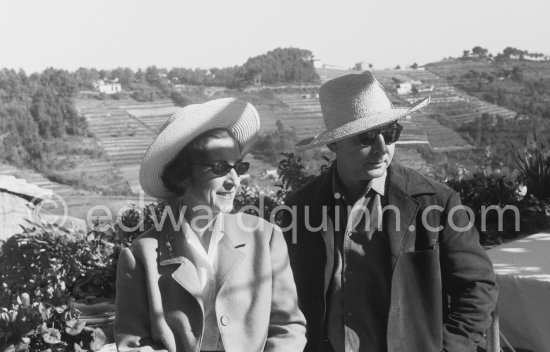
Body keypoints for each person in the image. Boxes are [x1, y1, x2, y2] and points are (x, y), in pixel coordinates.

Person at [282, 73, 498, 352]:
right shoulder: (300, 208)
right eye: (367, 137)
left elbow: (478, 288)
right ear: (333, 144)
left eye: (391, 133)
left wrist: (448, 348)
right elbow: (285, 298)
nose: (382, 148)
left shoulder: (436, 204)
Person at [115, 98, 306, 352]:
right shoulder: (141, 256)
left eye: (239, 167)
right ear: (182, 176)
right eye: (219, 168)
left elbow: (288, 328)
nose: (235, 181)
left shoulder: (265, 238)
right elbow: (134, 344)